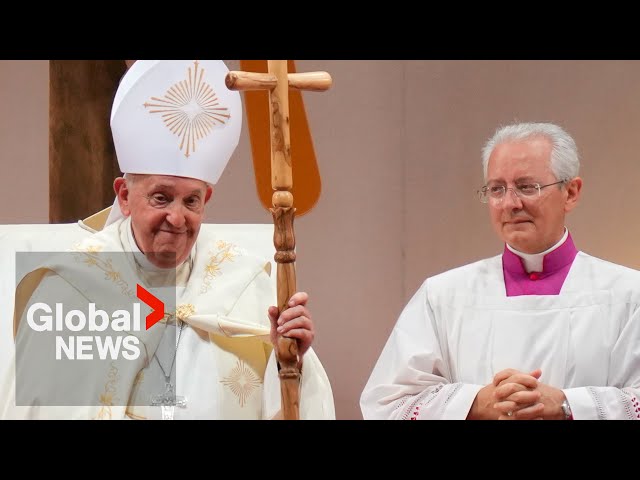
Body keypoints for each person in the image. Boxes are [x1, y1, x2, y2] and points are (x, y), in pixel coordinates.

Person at [0, 60, 335, 420]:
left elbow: (290, 404)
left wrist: (292, 362)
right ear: (125, 196)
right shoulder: (70, 288)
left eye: (191, 200)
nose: (177, 218)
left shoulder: (246, 285)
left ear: (205, 202)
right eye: (161, 197)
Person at [360, 121, 640, 420]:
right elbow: (388, 405)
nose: (510, 203)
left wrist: (568, 405)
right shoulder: (443, 296)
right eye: (496, 189)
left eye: (526, 187)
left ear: (570, 192)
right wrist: (476, 403)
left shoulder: (628, 294)